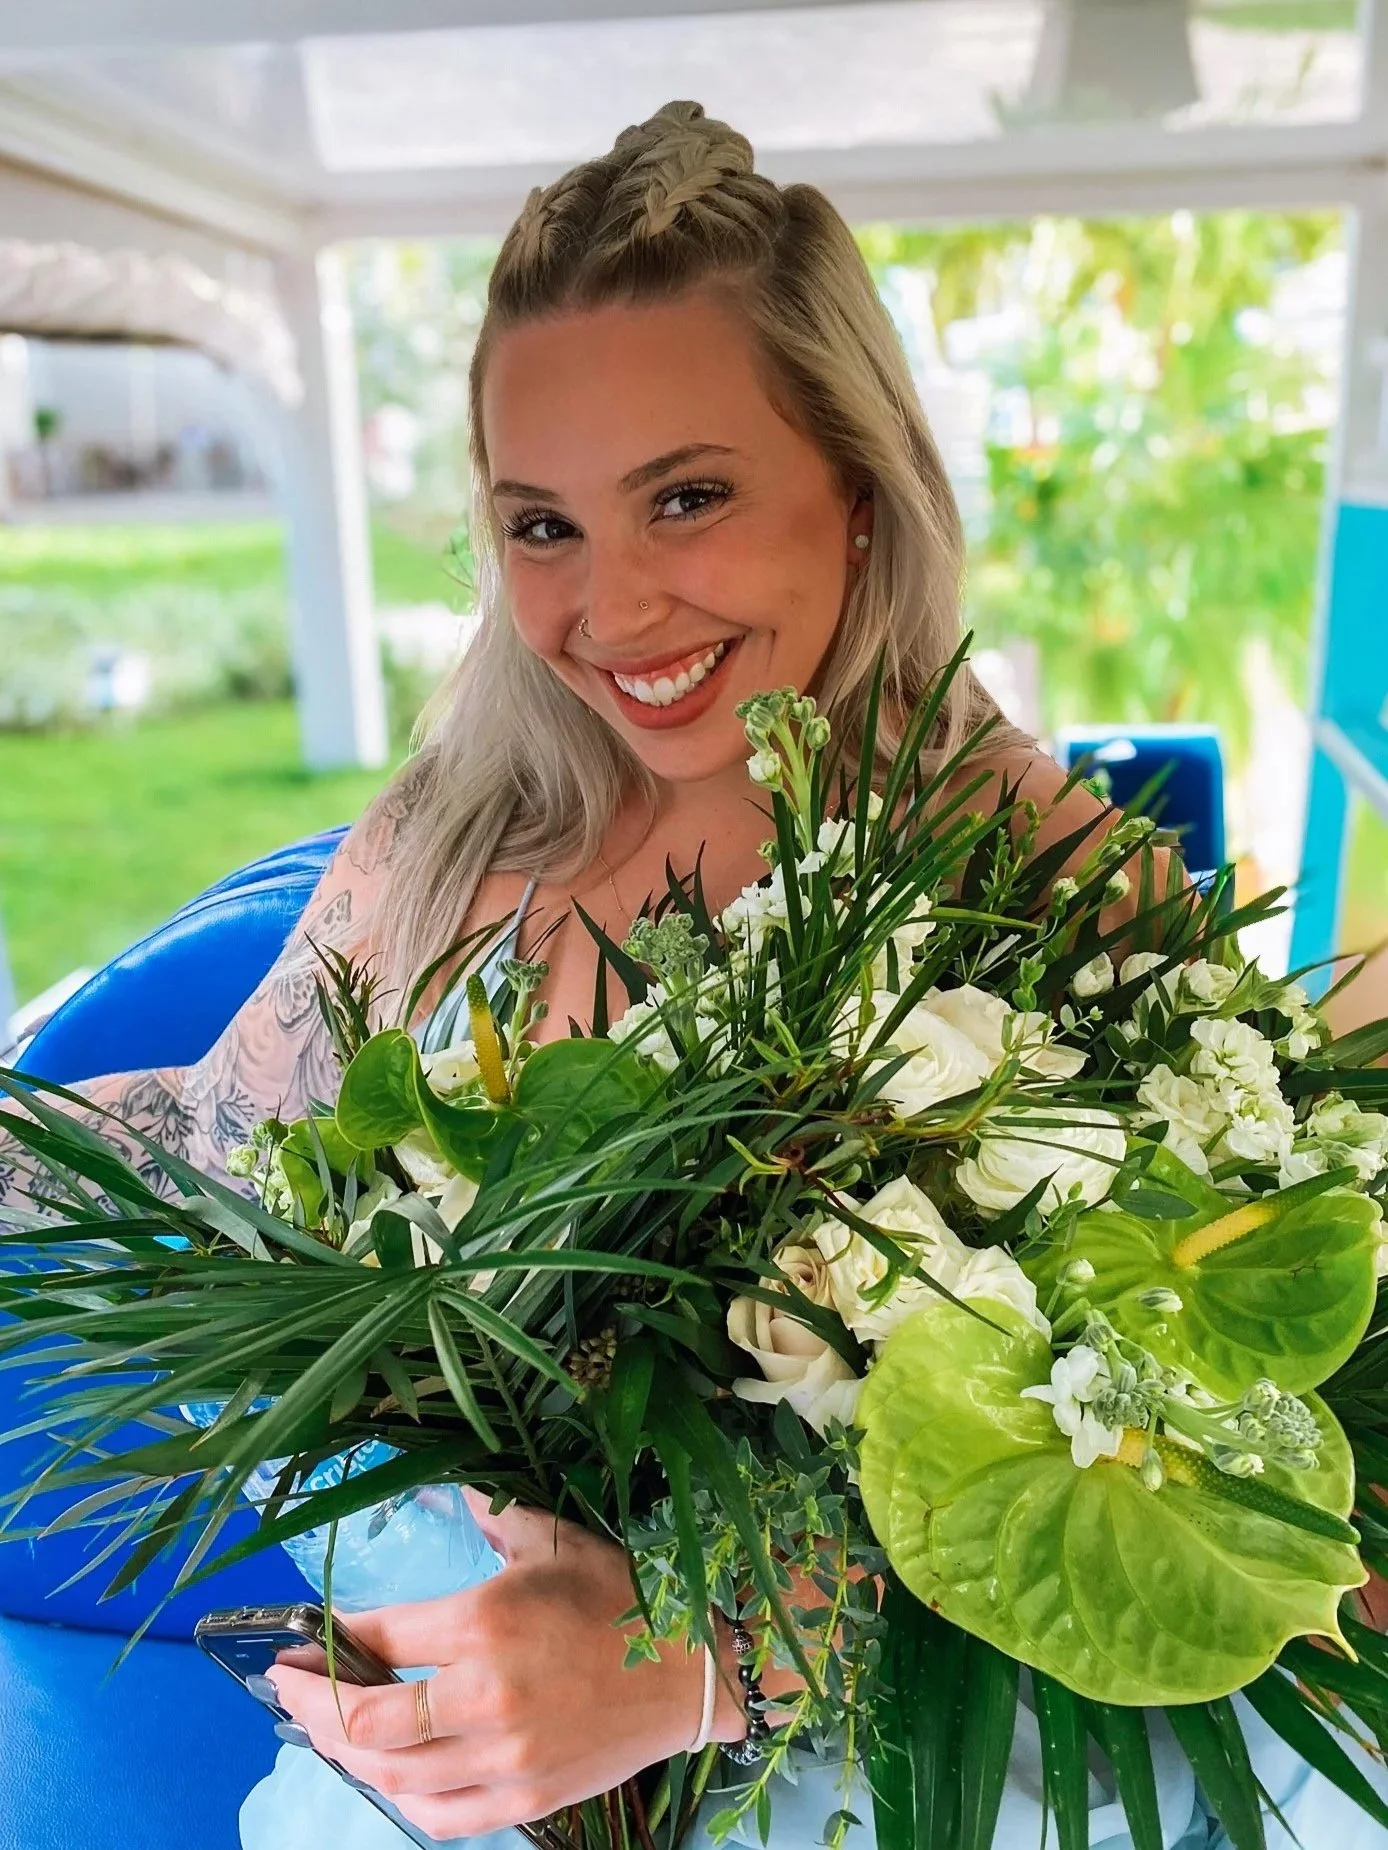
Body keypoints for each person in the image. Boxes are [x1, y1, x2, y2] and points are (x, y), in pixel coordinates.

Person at [3, 100, 1381, 1850]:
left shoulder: (1053, 886)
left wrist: (700, 1662)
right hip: (446, 1767)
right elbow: (214, 1137)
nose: (616, 611)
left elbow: (1222, 1464)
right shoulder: (461, 820)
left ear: (860, 484)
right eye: (543, 526)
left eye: (689, 496)